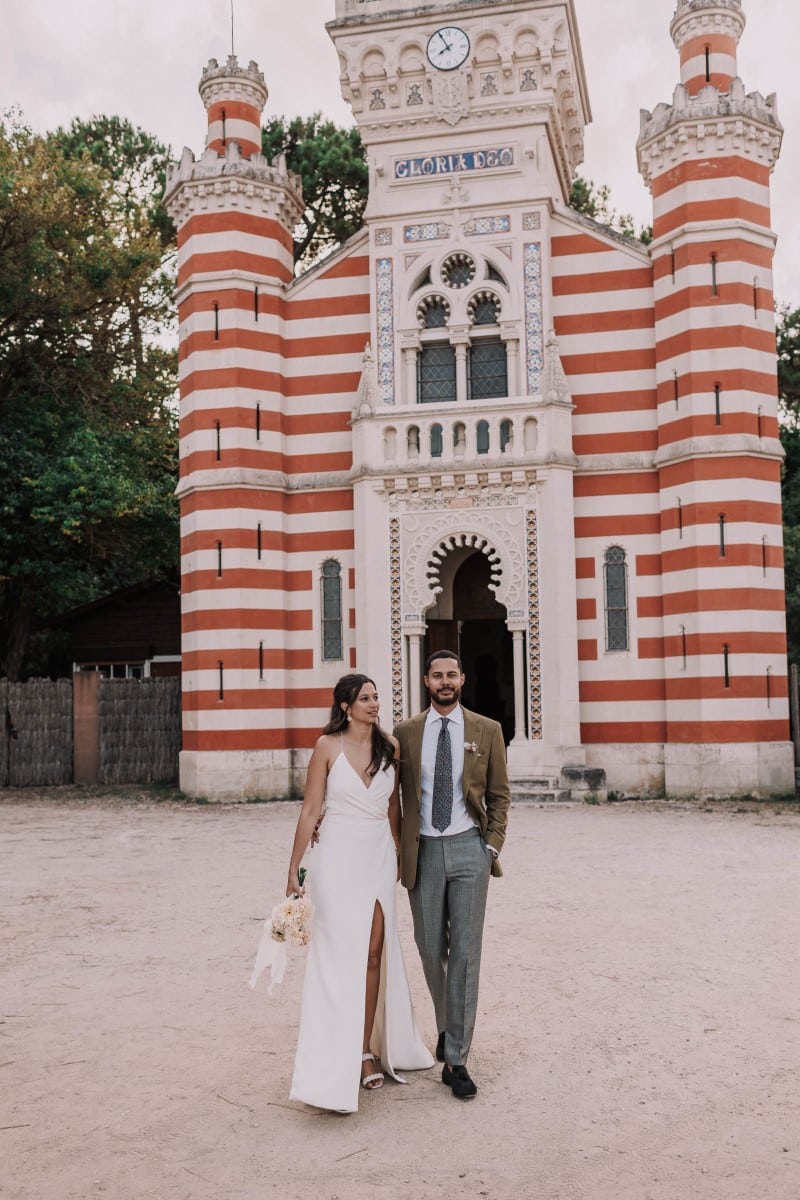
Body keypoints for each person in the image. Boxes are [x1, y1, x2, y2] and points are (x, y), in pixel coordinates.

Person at [286, 673, 433, 1113]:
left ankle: (366, 1050)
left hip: (377, 858)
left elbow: (395, 808)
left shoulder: (391, 747)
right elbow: (311, 808)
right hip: (335, 859)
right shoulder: (326, 747)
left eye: (376, 697)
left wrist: (401, 854)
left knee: (374, 953)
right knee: (336, 956)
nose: (374, 703)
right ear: (345, 706)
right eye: (365, 698)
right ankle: (332, 1057)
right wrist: (294, 868)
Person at [393, 649, 511, 1101]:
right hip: (422, 850)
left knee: (464, 952)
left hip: (468, 849)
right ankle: (447, 1025)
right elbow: (389, 793)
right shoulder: (404, 733)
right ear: (426, 681)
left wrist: (490, 847)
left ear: (462, 679)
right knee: (429, 949)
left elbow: (500, 794)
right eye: (437, 675)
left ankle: (457, 1056)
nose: (445, 682)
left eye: (452, 675)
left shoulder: (487, 730)